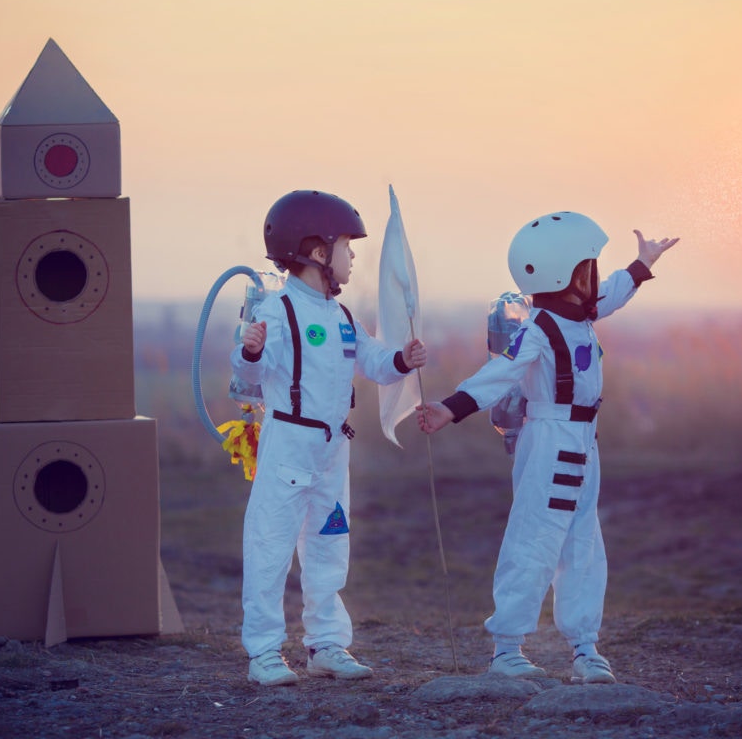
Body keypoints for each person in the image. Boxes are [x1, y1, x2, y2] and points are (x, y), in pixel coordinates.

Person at [415, 211, 677, 683]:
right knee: (535, 537)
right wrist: (450, 408)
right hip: (551, 440)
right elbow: (499, 375)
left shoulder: (582, 313)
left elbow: (614, 292)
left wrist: (642, 264)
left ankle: (584, 648)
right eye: (587, 266)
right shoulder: (537, 330)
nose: (595, 275)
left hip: (584, 439)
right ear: (564, 274)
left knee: (583, 541)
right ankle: (507, 648)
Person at [232, 189, 427, 687]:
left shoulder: (341, 318)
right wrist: (250, 351)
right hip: (288, 447)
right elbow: (251, 376)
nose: (353, 256)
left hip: (332, 450)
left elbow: (377, 364)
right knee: (270, 546)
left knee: (328, 545)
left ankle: (326, 644)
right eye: (346, 246)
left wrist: (403, 359)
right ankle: (264, 652)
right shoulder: (278, 312)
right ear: (317, 251)